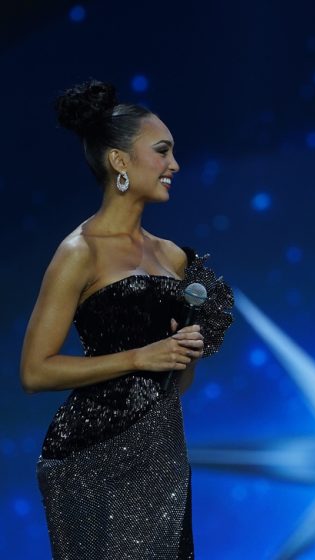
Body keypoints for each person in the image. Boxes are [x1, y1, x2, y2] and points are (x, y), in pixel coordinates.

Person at [19, 80, 233, 559]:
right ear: (119, 161)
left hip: (162, 454)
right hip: (91, 456)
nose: (174, 165)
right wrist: (140, 355)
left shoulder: (175, 258)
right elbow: (35, 371)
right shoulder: (80, 252)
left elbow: (175, 383)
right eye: (162, 151)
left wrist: (186, 351)